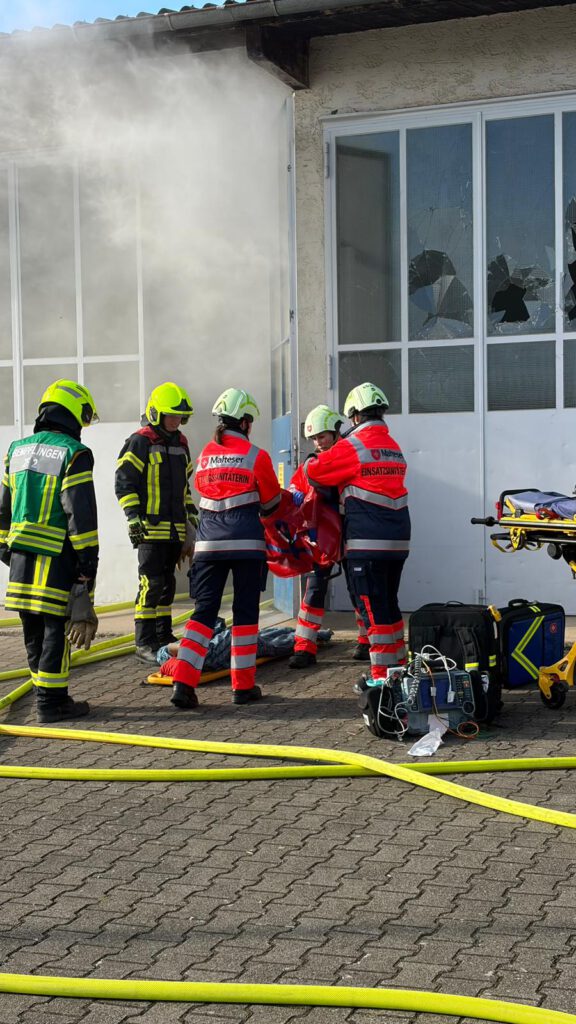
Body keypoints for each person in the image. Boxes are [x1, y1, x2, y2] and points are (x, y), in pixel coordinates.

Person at [170, 387, 281, 709]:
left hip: (207, 546)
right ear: (245, 422)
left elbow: (203, 492)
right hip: (247, 545)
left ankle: (183, 685)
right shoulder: (255, 455)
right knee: (245, 614)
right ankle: (242, 688)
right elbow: (272, 502)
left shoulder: (204, 454)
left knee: (203, 614)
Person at [0, 380, 100, 723]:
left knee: (32, 628)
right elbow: (80, 512)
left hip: (19, 558)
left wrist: (4, 545)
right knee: (55, 628)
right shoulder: (74, 453)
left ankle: (47, 695)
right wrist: (88, 560)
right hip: (56, 558)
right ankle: (52, 704)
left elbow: (5, 503)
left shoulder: (16, 449)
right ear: (73, 413)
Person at [305, 382, 410, 683]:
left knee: (373, 612)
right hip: (398, 541)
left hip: (367, 543)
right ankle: (399, 671)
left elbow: (316, 472)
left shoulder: (354, 445)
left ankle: (381, 680)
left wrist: (313, 460)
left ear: (353, 416)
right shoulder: (392, 445)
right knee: (390, 606)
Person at [115, 382, 197, 663]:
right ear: (156, 414)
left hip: (174, 530)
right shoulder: (140, 442)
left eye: (179, 417)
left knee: (168, 584)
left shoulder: (181, 443)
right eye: (171, 416)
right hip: (150, 529)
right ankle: (144, 641)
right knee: (150, 584)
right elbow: (124, 484)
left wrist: (192, 517)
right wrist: (133, 518)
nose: (176, 421)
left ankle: (163, 635)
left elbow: (185, 488)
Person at [288, 403, 370, 668]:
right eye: (313, 438)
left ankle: (367, 641)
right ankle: (304, 648)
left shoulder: (348, 457)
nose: (318, 443)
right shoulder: (309, 464)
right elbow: (293, 489)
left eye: (322, 436)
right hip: (320, 539)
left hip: (349, 534)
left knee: (358, 589)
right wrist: (295, 496)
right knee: (314, 590)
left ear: (336, 433)